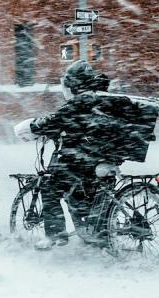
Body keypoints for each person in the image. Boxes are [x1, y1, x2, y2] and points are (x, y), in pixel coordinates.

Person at [13, 61, 129, 250]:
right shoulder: (103, 97)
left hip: (85, 158)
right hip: (104, 156)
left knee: (50, 186)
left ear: (74, 84)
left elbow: (57, 119)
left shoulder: (84, 100)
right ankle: (95, 233)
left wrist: (33, 127)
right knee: (85, 193)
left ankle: (55, 234)